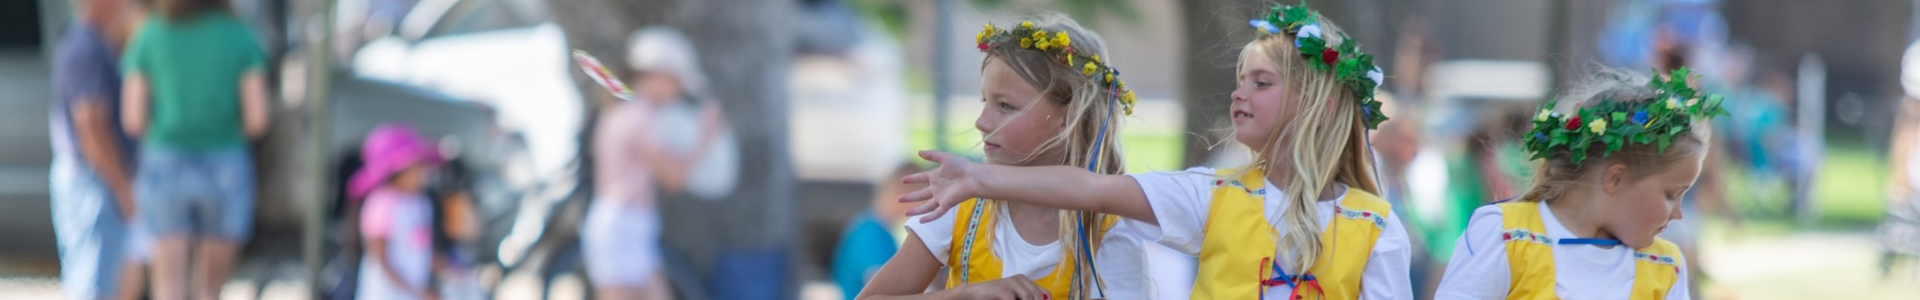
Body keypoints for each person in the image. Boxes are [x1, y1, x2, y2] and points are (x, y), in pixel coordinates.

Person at [897, 5, 1411, 299]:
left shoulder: (1376, 228)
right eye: (1238, 80)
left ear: (1319, 104)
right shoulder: (1212, 194)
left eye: (1260, 82)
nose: (1237, 94)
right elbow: (1091, 189)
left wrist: (979, 179)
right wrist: (977, 182)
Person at [857, 15, 1150, 300]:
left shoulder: (1109, 230)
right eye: (985, 101)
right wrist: (965, 295)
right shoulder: (960, 204)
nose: (982, 121)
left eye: (1005, 106)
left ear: (1069, 118)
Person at [1432, 68, 1726, 300]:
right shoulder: (1505, 235)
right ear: (1615, 178)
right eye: (1671, 195)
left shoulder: (1664, 266)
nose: (1678, 213)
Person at [119, 0, 269, 298]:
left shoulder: (149, 34)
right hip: (225, 161)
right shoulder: (239, 35)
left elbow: (133, 119)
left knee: (168, 287)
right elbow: (257, 120)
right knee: (210, 289)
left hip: (164, 161)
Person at [583, 26, 728, 300]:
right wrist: (705, 138)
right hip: (622, 227)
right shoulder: (639, 116)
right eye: (676, 83)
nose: (677, 92)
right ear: (659, 75)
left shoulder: (623, 109)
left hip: (629, 225)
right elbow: (673, 179)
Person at [50, 0, 147, 298]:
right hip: (94, 180)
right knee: (95, 284)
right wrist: (123, 187)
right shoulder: (86, 47)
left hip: (96, 179)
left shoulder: (101, 43)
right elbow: (90, 124)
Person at [350, 124, 445, 300]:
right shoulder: (381, 203)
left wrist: (451, 271)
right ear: (398, 171)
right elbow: (381, 261)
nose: (423, 173)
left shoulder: (421, 203)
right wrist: (417, 291)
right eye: (417, 167)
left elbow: (421, 250)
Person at [833, 163, 926, 299]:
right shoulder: (872, 234)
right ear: (905, 194)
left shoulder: (871, 229)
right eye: (922, 198)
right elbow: (885, 288)